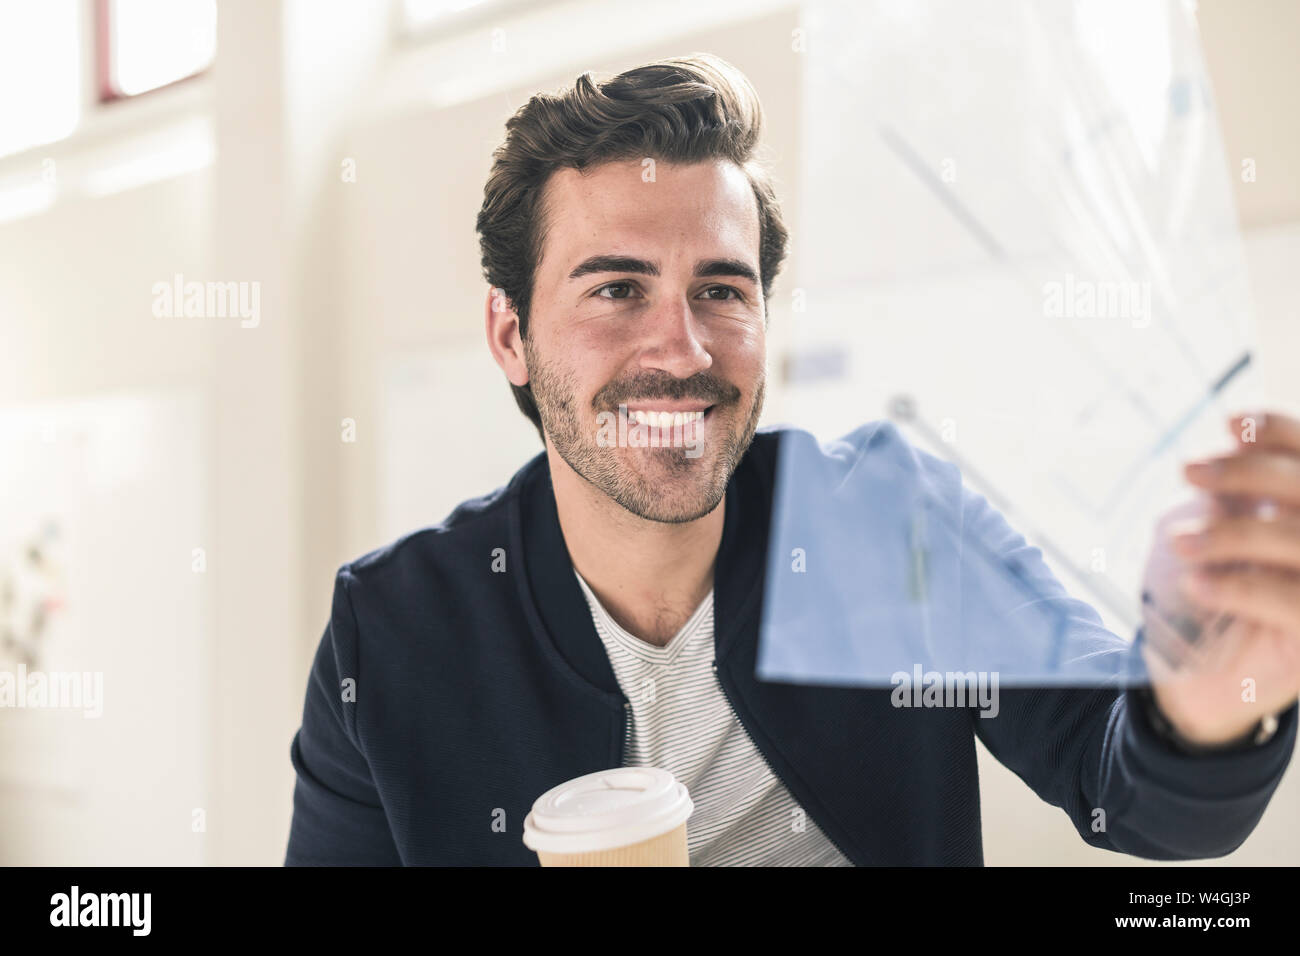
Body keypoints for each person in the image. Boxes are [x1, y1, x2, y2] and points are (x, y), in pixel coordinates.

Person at [284, 54, 1298, 866]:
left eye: (721, 290)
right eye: (615, 289)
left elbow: (1138, 797)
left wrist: (1208, 709)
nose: (681, 351)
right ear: (509, 333)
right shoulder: (394, 630)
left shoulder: (889, 521)